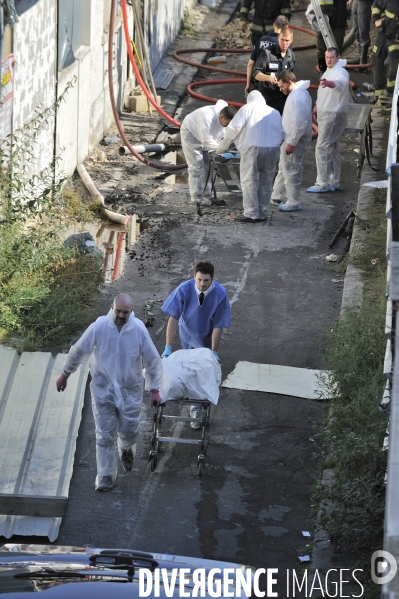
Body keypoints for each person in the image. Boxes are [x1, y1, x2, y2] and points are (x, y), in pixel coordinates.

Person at [56, 293, 163, 492]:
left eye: (125, 312)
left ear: (132, 311)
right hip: (102, 388)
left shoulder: (138, 330)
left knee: (130, 428)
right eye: (118, 311)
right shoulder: (99, 327)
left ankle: (126, 448)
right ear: (112, 307)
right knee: (104, 434)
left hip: (130, 389)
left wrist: (155, 389)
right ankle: (105, 475)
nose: (121, 315)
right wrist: (65, 374)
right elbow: (79, 350)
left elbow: (152, 360)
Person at [160, 261, 231, 428]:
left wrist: (213, 350)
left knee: (201, 371)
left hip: (206, 336)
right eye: (199, 280)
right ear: (194, 277)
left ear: (212, 279)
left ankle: (196, 408)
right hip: (188, 334)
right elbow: (173, 318)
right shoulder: (184, 289)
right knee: (187, 368)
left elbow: (218, 325)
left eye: (206, 280)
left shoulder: (220, 295)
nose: (202, 284)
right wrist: (168, 347)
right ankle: (191, 402)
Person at [216, 90, 284, 223]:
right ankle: (263, 212)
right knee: (266, 182)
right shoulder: (274, 112)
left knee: (249, 181)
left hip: (252, 149)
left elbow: (234, 128)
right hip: (273, 149)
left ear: (250, 99)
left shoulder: (247, 108)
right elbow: (282, 132)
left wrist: (223, 146)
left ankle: (252, 213)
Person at [307, 48, 350, 194]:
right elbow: (323, 91)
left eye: (331, 57)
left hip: (333, 114)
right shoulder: (328, 71)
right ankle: (333, 181)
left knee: (322, 146)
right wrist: (317, 107)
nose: (329, 60)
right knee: (332, 146)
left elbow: (340, 83)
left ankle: (323, 182)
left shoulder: (340, 72)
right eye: (327, 57)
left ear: (338, 57)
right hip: (326, 112)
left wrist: (329, 83)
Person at [270, 71, 313, 212]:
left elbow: (299, 123)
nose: (280, 89)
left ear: (289, 82)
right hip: (289, 138)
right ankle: (276, 195)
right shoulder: (297, 94)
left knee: (291, 171)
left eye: (282, 86)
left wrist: (291, 142)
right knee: (284, 168)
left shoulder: (298, 98)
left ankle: (293, 202)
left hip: (294, 141)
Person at [180, 102, 237, 206]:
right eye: (227, 123)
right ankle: (196, 197)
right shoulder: (207, 116)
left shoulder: (224, 119)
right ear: (221, 116)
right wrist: (222, 151)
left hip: (208, 138)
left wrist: (221, 149)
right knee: (196, 166)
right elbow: (206, 140)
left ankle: (207, 194)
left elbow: (220, 137)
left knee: (208, 166)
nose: (228, 125)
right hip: (191, 133)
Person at [252, 26, 295, 114]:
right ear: (278, 37)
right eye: (282, 39)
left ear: (291, 40)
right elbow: (255, 73)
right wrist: (269, 78)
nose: (284, 43)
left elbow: (291, 77)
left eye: (287, 40)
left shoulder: (291, 56)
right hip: (268, 99)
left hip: (283, 99)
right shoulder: (267, 53)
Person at [245, 15, 289, 95]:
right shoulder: (285, 44)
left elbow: (250, 64)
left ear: (274, 24)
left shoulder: (261, 40)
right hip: (277, 89)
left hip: (259, 87)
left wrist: (248, 84)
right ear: (286, 27)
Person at [371, 0, 399, 99]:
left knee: (393, 65)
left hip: (395, 38)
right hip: (383, 34)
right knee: (378, 62)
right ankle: (378, 95)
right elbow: (376, 5)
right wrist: (376, 20)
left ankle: (391, 93)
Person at [315, 0, 348, 71]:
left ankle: (335, 73)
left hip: (339, 19)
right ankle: (323, 73)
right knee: (321, 48)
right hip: (321, 18)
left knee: (336, 49)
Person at [346, 0, 373, 65]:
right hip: (357, 2)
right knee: (357, 30)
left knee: (363, 31)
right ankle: (360, 57)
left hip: (365, 2)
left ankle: (363, 60)